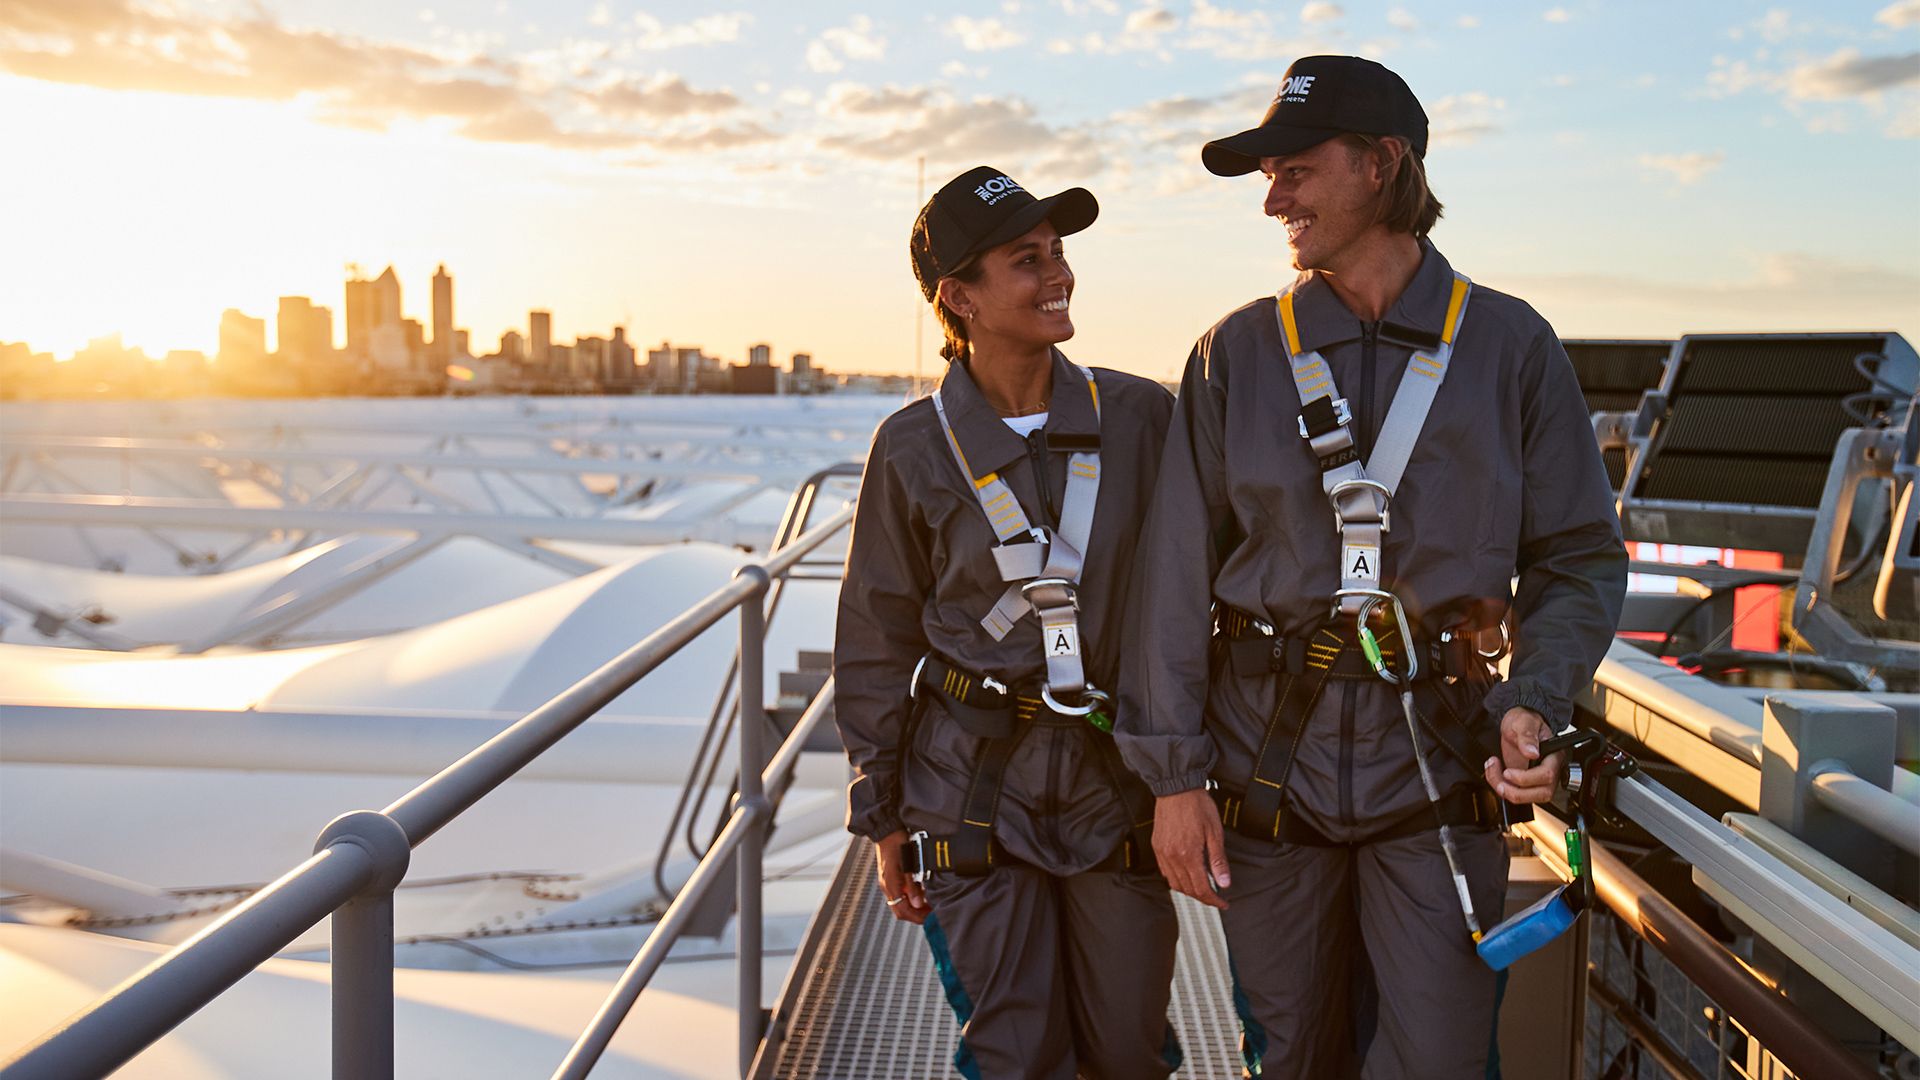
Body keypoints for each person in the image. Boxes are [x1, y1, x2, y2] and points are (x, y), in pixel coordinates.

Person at [1115, 56, 1628, 1078]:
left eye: (1296, 170)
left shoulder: (1511, 346)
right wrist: (1174, 781)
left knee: (1436, 1060)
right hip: (1269, 774)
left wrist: (1535, 695)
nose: (1273, 200)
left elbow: (1576, 559)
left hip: (1437, 769)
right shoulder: (1234, 355)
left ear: (1383, 164)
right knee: (1293, 1053)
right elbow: (1172, 580)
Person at [834, 165, 1182, 1079]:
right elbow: (875, 638)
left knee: (1129, 1049)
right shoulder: (912, 449)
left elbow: (1208, 581)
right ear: (960, 297)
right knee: (1016, 1054)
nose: (1057, 274)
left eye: (1059, 253)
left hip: (1117, 784)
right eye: (1026, 261)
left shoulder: (1142, 418)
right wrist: (881, 815)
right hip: (972, 789)